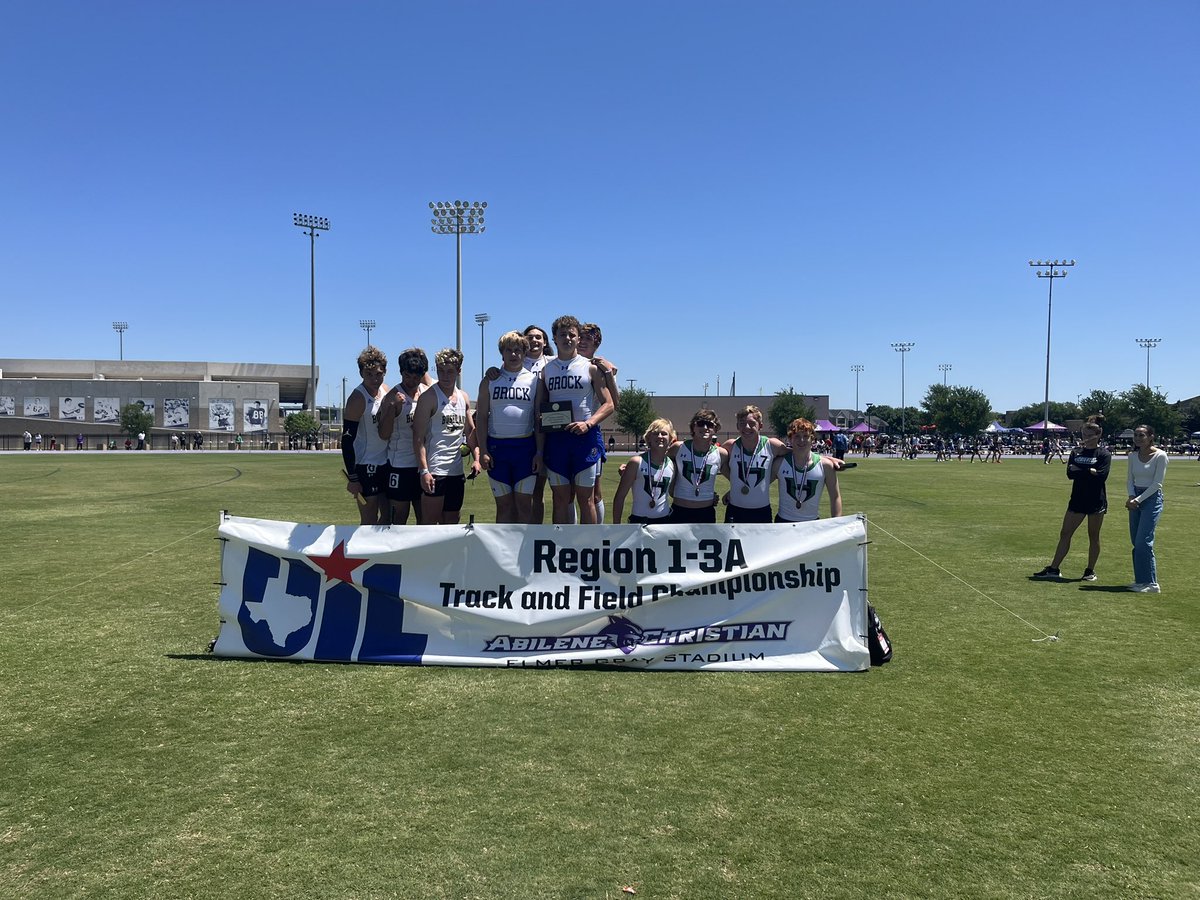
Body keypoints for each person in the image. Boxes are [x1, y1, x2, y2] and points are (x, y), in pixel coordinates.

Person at [535, 315, 615, 524]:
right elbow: (539, 410)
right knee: (560, 499)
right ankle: (561, 542)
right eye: (563, 335)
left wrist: (588, 423)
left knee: (586, 499)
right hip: (557, 440)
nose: (567, 338)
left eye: (572, 335)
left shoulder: (590, 367)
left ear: (578, 338)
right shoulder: (546, 370)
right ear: (554, 338)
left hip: (584, 439)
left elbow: (609, 404)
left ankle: (590, 543)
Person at [1032, 419, 1111, 581]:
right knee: (1065, 533)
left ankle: (1090, 571)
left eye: (1089, 435)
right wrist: (1090, 471)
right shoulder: (1076, 452)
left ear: (1098, 435)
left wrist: (1082, 470)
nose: (1086, 437)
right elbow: (1070, 473)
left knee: (1093, 535)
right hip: (1077, 499)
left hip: (1096, 500)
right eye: (1084, 434)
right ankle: (1054, 568)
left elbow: (1101, 476)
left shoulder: (1103, 454)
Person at [475, 331, 539, 523]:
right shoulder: (490, 380)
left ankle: (525, 543)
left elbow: (538, 420)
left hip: (525, 449)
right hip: (497, 449)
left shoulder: (534, 381)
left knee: (524, 505)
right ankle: (503, 544)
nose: (513, 354)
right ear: (502, 353)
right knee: (503, 506)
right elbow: (481, 418)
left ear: (524, 353)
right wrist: (483, 450)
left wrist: (540, 452)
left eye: (518, 350)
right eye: (509, 350)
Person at [412, 348, 480, 525]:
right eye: (441, 371)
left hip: (456, 471)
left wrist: (477, 458)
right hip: (435, 470)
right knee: (429, 523)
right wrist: (424, 471)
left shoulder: (463, 397)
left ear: (458, 371)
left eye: (450, 371)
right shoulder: (428, 398)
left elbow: (470, 431)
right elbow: (418, 437)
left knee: (452, 521)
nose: (445, 376)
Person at [378, 347, 432, 526]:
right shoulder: (393, 396)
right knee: (398, 518)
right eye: (407, 376)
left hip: (422, 465)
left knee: (425, 518)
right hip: (399, 464)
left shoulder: (427, 393)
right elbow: (383, 434)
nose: (411, 381)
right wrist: (392, 409)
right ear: (401, 373)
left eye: (416, 377)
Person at [341, 346, 391, 525]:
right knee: (369, 520)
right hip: (365, 465)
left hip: (386, 463)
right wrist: (353, 478)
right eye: (369, 374)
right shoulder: (357, 398)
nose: (374, 379)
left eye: (378, 374)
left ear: (384, 372)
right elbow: (347, 441)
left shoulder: (385, 391)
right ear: (361, 373)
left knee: (388, 519)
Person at [576, 322, 620, 524]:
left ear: (597, 343)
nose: (582, 342)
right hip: (563, 432)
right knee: (566, 493)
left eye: (588, 339)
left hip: (590, 433)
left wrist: (608, 373)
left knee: (593, 493)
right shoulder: (564, 363)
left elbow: (614, 403)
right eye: (580, 338)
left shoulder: (601, 367)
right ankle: (569, 536)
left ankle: (597, 534)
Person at [721, 405, 788, 523]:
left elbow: (797, 454)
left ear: (760, 425)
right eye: (742, 423)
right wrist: (735, 483)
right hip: (735, 510)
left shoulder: (772, 445)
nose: (747, 427)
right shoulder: (730, 446)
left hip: (761, 511)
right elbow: (719, 462)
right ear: (737, 426)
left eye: (752, 423)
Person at [1125, 424, 1168, 593]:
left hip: (1151, 499)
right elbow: (1130, 479)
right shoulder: (1132, 456)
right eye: (1136, 435)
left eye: (1141, 435)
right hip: (1135, 497)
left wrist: (1137, 499)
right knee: (1136, 541)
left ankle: (1151, 583)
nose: (1137, 438)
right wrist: (1131, 497)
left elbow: (1157, 484)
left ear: (1151, 437)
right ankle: (1141, 580)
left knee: (1144, 541)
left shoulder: (1160, 456)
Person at [773, 417, 842, 522]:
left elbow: (835, 497)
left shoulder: (826, 466)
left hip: (811, 523)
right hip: (783, 522)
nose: (801, 440)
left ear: (812, 439)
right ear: (790, 439)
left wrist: (837, 523)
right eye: (797, 436)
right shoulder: (779, 463)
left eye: (806, 436)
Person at [667, 409, 728, 524]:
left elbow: (737, 479)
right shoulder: (678, 448)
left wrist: (731, 492)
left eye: (709, 425)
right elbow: (659, 466)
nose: (705, 427)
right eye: (700, 423)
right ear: (693, 427)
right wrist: (671, 489)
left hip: (706, 512)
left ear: (715, 429)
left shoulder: (721, 454)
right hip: (679, 511)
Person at [612, 419, 676, 524]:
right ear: (648, 438)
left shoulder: (672, 464)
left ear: (671, 438)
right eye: (655, 433)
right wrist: (616, 525)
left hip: (664, 523)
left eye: (664, 433)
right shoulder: (636, 462)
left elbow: (674, 493)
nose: (660, 436)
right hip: (639, 522)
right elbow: (620, 497)